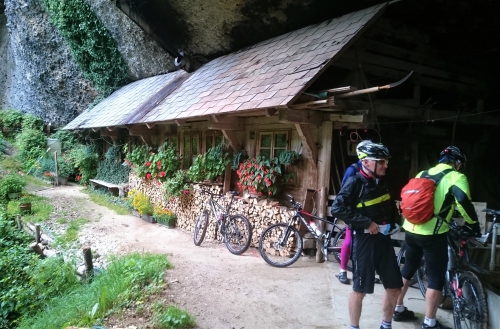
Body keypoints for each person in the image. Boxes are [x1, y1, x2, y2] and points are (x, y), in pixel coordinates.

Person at [394, 146, 481, 329]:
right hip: (433, 235)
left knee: (408, 268)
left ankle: (398, 308)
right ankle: (429, 322)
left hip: (410, 229)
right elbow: (463, 201)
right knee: (435, 278)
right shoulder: (456, 177)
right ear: (458, 163)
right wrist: (473, 224)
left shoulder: (422, 174)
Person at [331, 143, 402, 329]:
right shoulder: (355, 182)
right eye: (381, 162)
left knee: (395, 287)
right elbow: (337, 208)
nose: (385, 165)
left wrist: (395, 221)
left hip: (383, 242)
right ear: (366, 162)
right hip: (364, 242)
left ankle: (385, 325)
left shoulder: (382, 182)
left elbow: (388, 205)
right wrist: (366, 223)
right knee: (360, 289)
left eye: (386, 162)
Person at [337, 139, 378, 285]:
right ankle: (342, 271)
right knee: (349, 240)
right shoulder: (353, 170)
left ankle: (367, 272)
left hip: (369, 213)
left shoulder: (375, 169)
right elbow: (345, 192)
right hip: (354, 213)